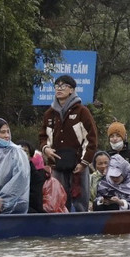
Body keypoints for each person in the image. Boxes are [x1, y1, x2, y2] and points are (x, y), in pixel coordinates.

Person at [39, 74, 98, 212]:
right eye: (57, 86)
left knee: (80, 200)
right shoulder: (49, 114)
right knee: (58, 198)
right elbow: (42, 136)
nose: (59, 89)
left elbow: (92, 138)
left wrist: (84, 162)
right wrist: (46, 149)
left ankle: (81, 226)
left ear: (71, 90)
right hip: (56, 163)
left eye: (63, 86)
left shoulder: (82, 111)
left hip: (78, 164)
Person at [16, 140, 46, 213]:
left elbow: (35, 201)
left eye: (25, 152)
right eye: (20, 152)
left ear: (30, 157)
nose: (22, 155)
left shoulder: (37, 177)